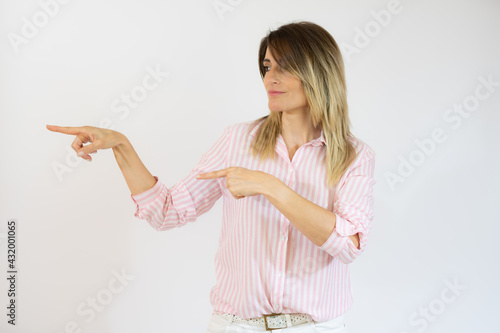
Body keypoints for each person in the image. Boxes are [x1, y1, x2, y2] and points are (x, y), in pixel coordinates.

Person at [47, 21, 375, 332]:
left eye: (283, 67)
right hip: (235, 325)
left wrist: (271, 186)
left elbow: (349, 246)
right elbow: (167, 211)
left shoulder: (354, 156)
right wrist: (121, 144)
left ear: (318, 73)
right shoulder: (237, 140)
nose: (269, 78)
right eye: (266, 66)